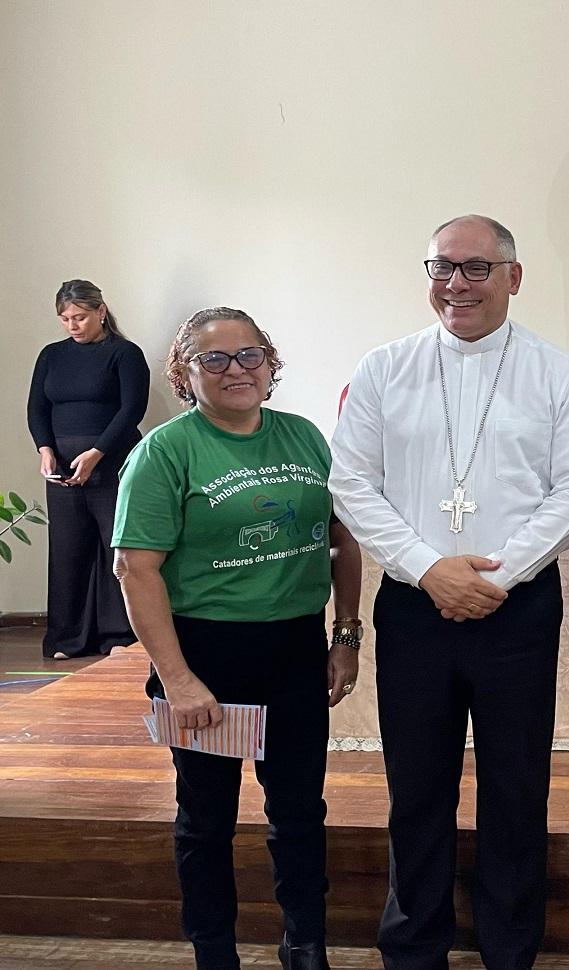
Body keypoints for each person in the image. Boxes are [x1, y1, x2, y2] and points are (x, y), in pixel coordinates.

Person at [330, 214, 569, 970]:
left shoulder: (555, 374)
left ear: (514, 278)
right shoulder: (386, 368)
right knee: (417, 788)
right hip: (417, 606)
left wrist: (499, 576)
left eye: (478, 268)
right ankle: (414, 947)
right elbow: (350, 482)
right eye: (442, 267)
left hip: (516, 607)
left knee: (516, 785)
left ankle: (509, 947)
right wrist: (427, 567)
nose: (458, 284)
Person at [112, 307, 363, 970]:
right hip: (206, 656)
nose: (236, 370)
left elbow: (344, 542)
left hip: (294, 653)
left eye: (250, 355)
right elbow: (135, 570)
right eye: (214, 359)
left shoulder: (306, 439)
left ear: (271, 364)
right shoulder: (163, 453)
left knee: (301, 813)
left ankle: (305, 947)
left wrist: (346, 634)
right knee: (206, 821)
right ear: (185, 373)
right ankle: (214, 953)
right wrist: (179, 678)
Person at [26, 280, 149, 658]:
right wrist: (45, 450)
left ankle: (119, 635)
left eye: (79, 316)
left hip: (112, 463)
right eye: (65, 319)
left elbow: (132, 410)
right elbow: (36, 408)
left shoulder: (124, 353)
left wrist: (96, 452)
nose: (72, 325)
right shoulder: (51, 355)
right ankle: (67, 638)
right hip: (61, 468)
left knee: (116, 548)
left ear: (101, 311)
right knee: (68, 550)